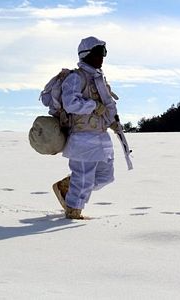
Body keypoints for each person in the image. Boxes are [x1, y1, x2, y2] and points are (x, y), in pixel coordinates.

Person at [52, 36, 118, 219]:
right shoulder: (75, 77)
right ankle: (73, 211)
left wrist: (111, 120)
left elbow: (107, 103)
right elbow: (70, 103)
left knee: (106, 176)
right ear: (86, 54)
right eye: (98, 52)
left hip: (101, 136)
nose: (102, 57)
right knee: (83, 176)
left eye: (104, 52)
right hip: (82, 137)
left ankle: (67, 186)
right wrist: (94, 106)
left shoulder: (98, 79)